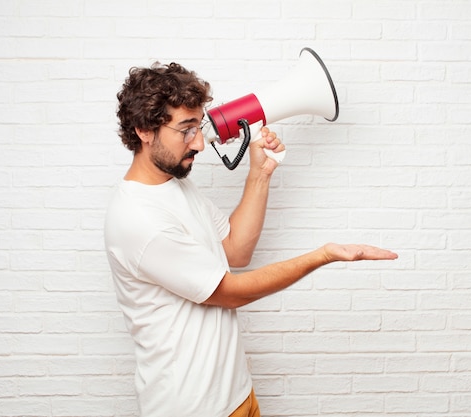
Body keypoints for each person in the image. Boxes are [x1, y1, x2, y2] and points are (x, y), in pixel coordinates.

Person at [104, 61, 398, 417]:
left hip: (235, 395)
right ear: (144, 130)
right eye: (185, 129)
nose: (198, 142)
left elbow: (235, 250)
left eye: (199, 126)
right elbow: (229, 293)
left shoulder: (175, 186)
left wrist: (260, 172)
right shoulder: (139, 219)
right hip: (192, 407)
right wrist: (322, 256)